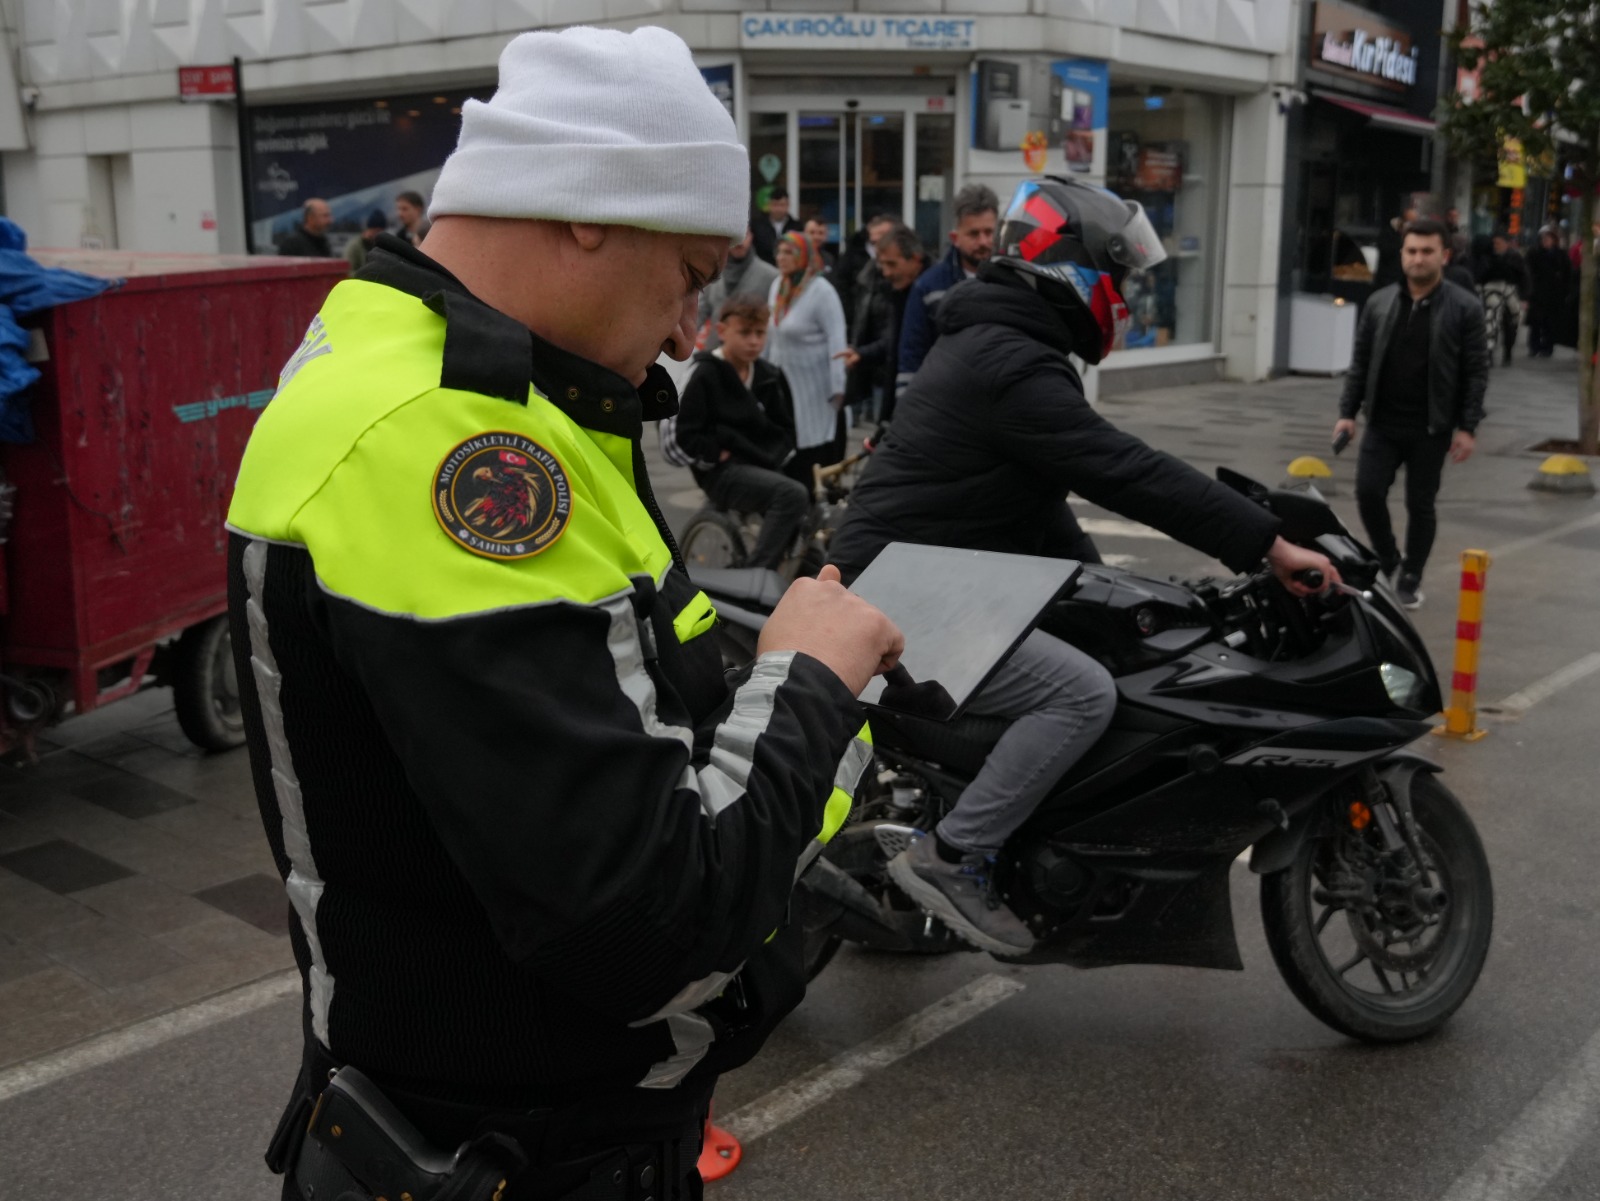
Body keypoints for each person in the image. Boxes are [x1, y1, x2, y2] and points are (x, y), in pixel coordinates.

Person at [228, 26, 901, 1201]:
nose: (695, 330)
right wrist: (810, 686)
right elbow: (650, 925)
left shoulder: (475, 385)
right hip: (510, 1160)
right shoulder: (448, 442)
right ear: (587, 207)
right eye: (693, 277)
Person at [827, 177, 1337, 956]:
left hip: (923, 580)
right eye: (1120, 280)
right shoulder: (1012, 365)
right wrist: (1268, 543)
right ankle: (954, 854)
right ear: (1071, 275)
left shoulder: (1002, 346)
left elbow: (1039, 513)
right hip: (900, 598)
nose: (1126, 300)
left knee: (1111, 654)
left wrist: (1145, 601)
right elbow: (1124, 469)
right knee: (1078, 694)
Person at [1335, 217, 1488, 610]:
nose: (1418, 259)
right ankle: (1388, 559)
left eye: (1427, 252)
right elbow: (1361, 361)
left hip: (1431, 427)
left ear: (1445, 256)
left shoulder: (1465, 307)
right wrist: (1347, 413)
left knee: (1420, 504)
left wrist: (1467, 427)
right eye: (1411, 251)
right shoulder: (1380, 302)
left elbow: (1475, 370)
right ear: (1402, 254)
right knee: (1368, 492)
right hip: (1383, 422)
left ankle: (1411, 576)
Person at [675, 297, 808, 569]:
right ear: (722, 331)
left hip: (762, 464)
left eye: (760, 333)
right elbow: (686, 434)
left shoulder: (769, 375)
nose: (754, 341)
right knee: (791, 495)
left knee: (810, 508)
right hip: (722, 471)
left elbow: (786, 428)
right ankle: (756, 573)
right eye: (745, 333)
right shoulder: (706, 374)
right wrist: (716, 453)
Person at [764, 230, 848, 484]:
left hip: (816, 388)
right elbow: (771, 335)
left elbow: (837, 339)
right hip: (783, 384)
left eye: (789, 252)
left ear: (804, 256)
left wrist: (838, 388)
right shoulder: (778, 286)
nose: (781, 257)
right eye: (779, 251)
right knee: (789, 444)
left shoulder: (821, 291)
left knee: (813, 445)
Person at [896, 183, 998, 389]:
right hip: (945, 405)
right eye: (974, 234)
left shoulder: (1014, 282)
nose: (984, 241)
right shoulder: (928, 287)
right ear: (955, 238)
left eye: (989, 232)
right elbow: (912, 354)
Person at [838, 223, 925, 426]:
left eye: (892, 264)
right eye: (883, 264)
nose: (885, 272)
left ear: (915, 259)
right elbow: (894, 338)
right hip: (890, 380)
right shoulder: (895, 289)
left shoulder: (928, 292)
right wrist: (862, 352)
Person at [696, 226, 778, 352]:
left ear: (751, 238)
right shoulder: (712, 272)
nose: (741, 242)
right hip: (714, 351)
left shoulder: (770, 276)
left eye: (745, 236)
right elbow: (700, 312)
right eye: (737, 237)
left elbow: (774, 318)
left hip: (750, 353)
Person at [1477, 229, 1531, 366]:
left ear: (1507, 244)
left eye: (1499, 243)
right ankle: (1489, 352)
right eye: (1494, 243)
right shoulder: (1487, 257)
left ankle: (1508, 351)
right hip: (1492, 293)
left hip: (1510, 293)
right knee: (1490, 323)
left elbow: (1523, 277)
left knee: (1510, 325)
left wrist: (1524, 298)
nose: (1496, 246)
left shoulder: (1515, 258)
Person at [833, 212, 896, 328]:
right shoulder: (868, 273)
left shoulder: (918, 275)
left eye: (883, 240)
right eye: (873, 243)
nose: (878, 248)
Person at [1526, 226, 1572, 358]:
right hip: (1537, 294)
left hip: (1554, 295)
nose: (1545, 241)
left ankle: (1547, 347)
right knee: (1536, 322)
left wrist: (1564, 291)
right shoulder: (1534, 253)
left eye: (1548, 238)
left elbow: (1567, 274)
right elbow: (1528, 272)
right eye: (1543, 238)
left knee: (1550, 323)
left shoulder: (1560, 255)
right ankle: (1534, 347)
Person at [751, 186, 801, 264]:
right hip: (764, 268)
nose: (778, 209)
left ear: (788, 205)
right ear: (769, 205)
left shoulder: (797, 227)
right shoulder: (756, 226)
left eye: (782, 205)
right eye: (775, 205)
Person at [1374, 203, 1418, 291]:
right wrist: (1401, 240)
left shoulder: (1413, 235)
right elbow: (1385, 251)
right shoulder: (1388, 233)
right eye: (1409, 221)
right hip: (1388, 279)